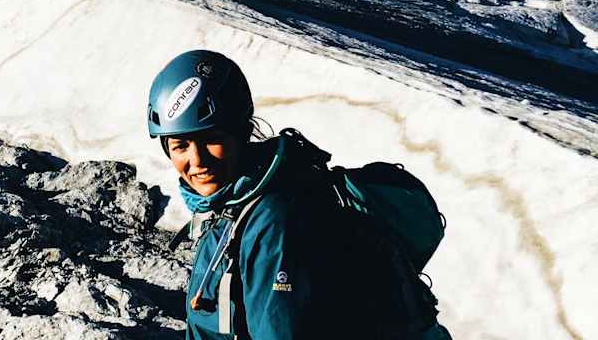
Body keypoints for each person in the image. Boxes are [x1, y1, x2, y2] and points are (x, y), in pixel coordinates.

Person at [147, 50, 452, 340]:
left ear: (241, 132)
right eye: (180, 146)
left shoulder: (274, 220)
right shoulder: (233, 206)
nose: (197, 160)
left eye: (212, 140)